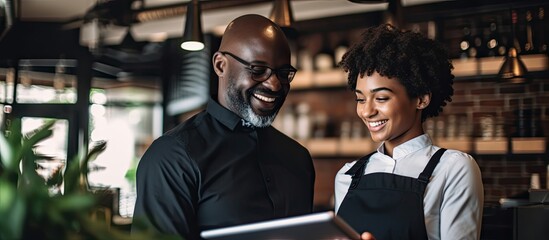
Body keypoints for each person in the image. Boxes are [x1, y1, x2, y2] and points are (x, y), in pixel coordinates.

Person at [132, 14, 315, 240]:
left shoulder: (298, 158)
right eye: (258, 70)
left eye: (283, 73)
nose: (274, 84)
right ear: (220, 65)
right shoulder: (171, 156)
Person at [334, 24, 484, 240]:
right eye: (360, 99)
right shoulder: (347, 176)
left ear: (421, 99)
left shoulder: (453, 169)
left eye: (381, 98)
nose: (367, 111)